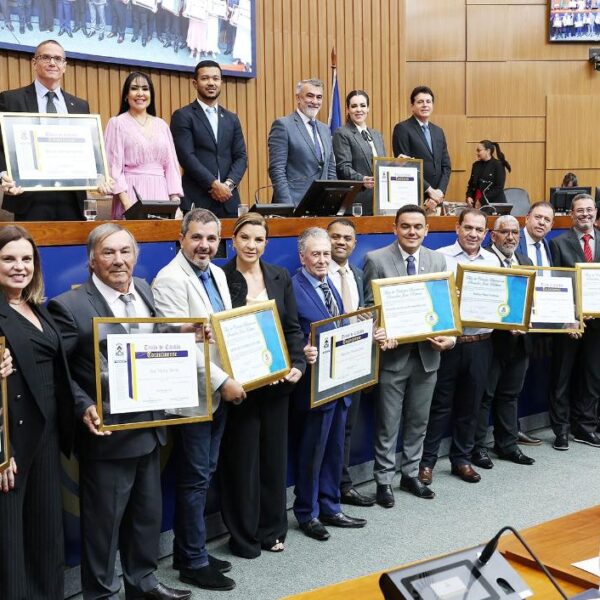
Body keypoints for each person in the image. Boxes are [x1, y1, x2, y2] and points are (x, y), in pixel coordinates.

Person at [48, 224, 191, 600]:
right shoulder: (69, 306)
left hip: (151, 427)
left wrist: (184, 334)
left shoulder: (144, 289)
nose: (119, 260)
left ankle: (142, 584)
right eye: (108, 252)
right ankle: (101, 593)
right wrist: (83, 406)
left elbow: (154, 345)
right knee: (103, 525)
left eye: (125, 251)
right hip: (109, 435)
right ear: (92, 259)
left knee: (146, 517)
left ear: (136, 256)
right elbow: (58, 373)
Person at [152, 208, 246, 591]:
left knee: (204, 473)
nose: (204, 245)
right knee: (193, 479)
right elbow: (181, 346)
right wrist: (224, 380)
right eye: (196, 238)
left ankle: (187, 550)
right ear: (181, 238)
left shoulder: (219, 274)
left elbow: (224, 329)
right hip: (193, 394)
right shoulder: (169, 280)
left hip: (220, 391)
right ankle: (192, 561)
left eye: (211, 238)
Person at [218, 212, 305, 558]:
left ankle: (272, 529)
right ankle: (242, 537)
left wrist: (297, 364)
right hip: (240, 387)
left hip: (276, 383)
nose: (252, 245)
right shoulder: (220, 277)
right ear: (234, 239)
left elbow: (292, 328)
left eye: (259, 239)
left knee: (273, 460)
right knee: (241, 463)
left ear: (267, 243)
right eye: (245, 238)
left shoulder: (279, 276)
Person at [363, 205, 455, 507]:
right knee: (388, 423)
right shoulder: (376, 260)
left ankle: (411, 473)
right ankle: (384, 480)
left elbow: (446, 308)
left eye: (418, 227)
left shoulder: (438, 259)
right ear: (395, 228)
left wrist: (449, 338)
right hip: (393, 357)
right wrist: (380, 330)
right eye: (405, 226)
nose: (412, 232)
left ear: (426, 230)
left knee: (419, 420)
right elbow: (368, 311)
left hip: (428, 355)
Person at [0, 226, 71, 600]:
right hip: (12, 441)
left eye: (26, 259)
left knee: (46, 532)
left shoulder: (36, 307)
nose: (19, 267)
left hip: (46, 434)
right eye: (9, 259)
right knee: (10, 539)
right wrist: (0, 451)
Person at [291, 227, 366, 542]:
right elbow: (291, 332)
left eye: (325, 254)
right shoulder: (293, 288)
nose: (322, 260)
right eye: (316, 254)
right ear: (303, 257)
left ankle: (331, 506)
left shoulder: (330, 284)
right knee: (313, 451)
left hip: (339, 381)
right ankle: (307, 513)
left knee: (335, 448)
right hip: (313, 387)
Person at [420, 209, 497, 484]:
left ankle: (461, 460)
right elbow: (431, 298)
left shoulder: (493, 260)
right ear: (457, 227)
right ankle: (426, 462)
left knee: (471, 405)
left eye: (479, 229)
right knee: (439, 406)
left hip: (481, 344)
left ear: (485, 233)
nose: (473, 234)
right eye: (468, 228)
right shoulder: (440, 257)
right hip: (449, 345)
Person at [0, 40, 109, 221]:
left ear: (64, 66)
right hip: (29, 195)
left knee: (72, 249)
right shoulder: (11, 100)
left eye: (58, 59)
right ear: (34, 63)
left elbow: (89, 151)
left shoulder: (80, 106)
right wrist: (5, 175)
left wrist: (98, 177)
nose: (52, 63)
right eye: (46, 57)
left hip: (72, 197)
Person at [472, 215, 536, 470]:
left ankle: (507, 445)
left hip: (521, 343)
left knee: (510, 395)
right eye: (505, 232)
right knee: (484, 397)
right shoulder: (485, 261)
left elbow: (533, 300)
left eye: (515, 233)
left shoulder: (526, 261)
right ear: (493, 235)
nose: (510, 237)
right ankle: (477, 448)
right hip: (492, 341)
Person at [325, 218, 374, 507]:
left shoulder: (356, 274)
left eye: (347, 238)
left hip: (354, 361)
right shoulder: (316, 273)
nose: (341, 242)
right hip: (328, 365)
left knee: (346, 428)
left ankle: (343, 485)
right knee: (325, 432)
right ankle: (327, 490)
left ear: (354, 244)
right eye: (335, 237)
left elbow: (364, 310)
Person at [549, 193, 600, 451]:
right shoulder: (558, 244)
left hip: (598, 324)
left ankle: (586, 426)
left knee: (592, 376)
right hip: (569, 323)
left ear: (595, 211)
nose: (585, 215)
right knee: (562, 375)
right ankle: (561, 429)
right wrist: (569, 316)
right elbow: (555, 284)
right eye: (579, 211)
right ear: (571, 214)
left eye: (589, 210)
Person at [171, 60, 248, 216]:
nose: (211, 83)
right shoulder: (183, 116)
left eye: (215, 78)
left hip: (229, 200)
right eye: (205, 78)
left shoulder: (231, 118)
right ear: (195, 83)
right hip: (197, 199)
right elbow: (186, 157)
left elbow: (241, 157)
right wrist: (213, 185)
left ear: (221, 82)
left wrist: (227, 185)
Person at [104, 71, 183, 219]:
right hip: (130, 196)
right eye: (134, 88)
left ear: (151, 94)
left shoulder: (162, 125)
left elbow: (171, 166)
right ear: (126, 95)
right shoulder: (117, 123)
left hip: (161, 196)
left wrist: (175, 203)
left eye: (145, 89)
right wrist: (128, 206)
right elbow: (113, 168)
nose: (140, 93)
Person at [268, 78, 337, 206]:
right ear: (298, 98)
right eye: (310, 96)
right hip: (295, 204)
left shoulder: (325, 129)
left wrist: (333, 202)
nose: (315, 101)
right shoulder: (283, 125)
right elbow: (277, 170)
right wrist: (287, 206)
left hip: (322, 205)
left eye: (319, 97)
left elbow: (330, 169)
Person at [392, 86, 451, 213]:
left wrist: (439, 192)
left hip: (436, 201)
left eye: (428, 101)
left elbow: (446, 166)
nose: (425, 105)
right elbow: (405, 165)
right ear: (412, 106)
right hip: (413, 198)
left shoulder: (438, 131)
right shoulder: (402, 128)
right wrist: (429, 190)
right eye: (420, 102)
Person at [332, 90, 386, 216]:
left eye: (362, 105)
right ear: (347, 109)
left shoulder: (376, 135)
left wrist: (398, 163)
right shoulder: (342, 133)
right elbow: (343, 167)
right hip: (357, 201)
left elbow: (382, 165)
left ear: (368, 108)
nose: (359, 109)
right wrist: (362, 180)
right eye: (354, 106)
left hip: (380, 202)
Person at [465, 140, 511, 206]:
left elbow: (498, 188)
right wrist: (469, 196)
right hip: (478, 204)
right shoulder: (475, 165)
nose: (477, 153)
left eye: (479, 150)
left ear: (488, 151)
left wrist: (482, 200)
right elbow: (471, 184)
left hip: (495, 204)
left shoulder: (498, 165)